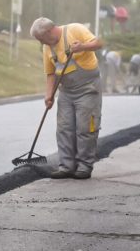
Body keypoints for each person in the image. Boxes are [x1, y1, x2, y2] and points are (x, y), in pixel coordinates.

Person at [30, 17, 104, 179]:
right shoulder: (47, 47)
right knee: (64, 128)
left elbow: (99, 43)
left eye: (41, 39)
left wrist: (82, 46)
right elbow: (50, 73)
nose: (41, 43)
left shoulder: (75, 29)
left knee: (85, 128)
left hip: (88, 89)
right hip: (66, 91)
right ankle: (66, 166)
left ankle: (84, 166)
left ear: (49, 31)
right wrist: (48, 95)